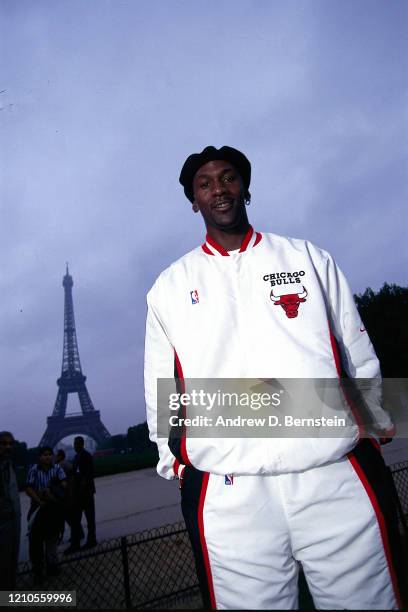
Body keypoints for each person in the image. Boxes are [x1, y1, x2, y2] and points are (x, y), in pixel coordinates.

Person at [144, 145, 404, 609]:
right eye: (205, 184)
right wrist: (176, 462)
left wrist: (375, 427)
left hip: (332, 477)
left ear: (245, 187)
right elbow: (164, 385)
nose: (218, 190)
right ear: (193, 200)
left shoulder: (307, 257)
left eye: (228, 178)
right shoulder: (170, 285)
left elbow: (355, 349)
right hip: (232, 494)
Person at [25, 446, 66, 584]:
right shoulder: (33, 470)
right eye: (44, 454)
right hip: (38, 508)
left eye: (49, 454)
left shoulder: (57, 469)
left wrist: (53, 493)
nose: (47, 457)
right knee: (36, 541)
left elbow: (64, 485)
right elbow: (28, 488)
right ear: (39, 457)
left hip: (53, 508)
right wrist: (40, 500)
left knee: (52, 539)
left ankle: (52, 566)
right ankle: (38, 570)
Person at [64, 436, 96, 554]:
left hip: (85, 493)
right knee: (77, 519)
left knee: (87, 519)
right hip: (80, 494)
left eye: (77, 444)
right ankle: (78, 542)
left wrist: (81, 486)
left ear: (82, 444)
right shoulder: (77, 456)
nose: (75, 446)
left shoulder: (86, 456)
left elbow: (89, 473)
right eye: (74, 444)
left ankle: (89, 541)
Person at [0, 431, 21, 590]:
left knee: (10, 561)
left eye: (10, 444)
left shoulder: (9, 465)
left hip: (13, 521)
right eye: (3, 443)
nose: (8, 447)